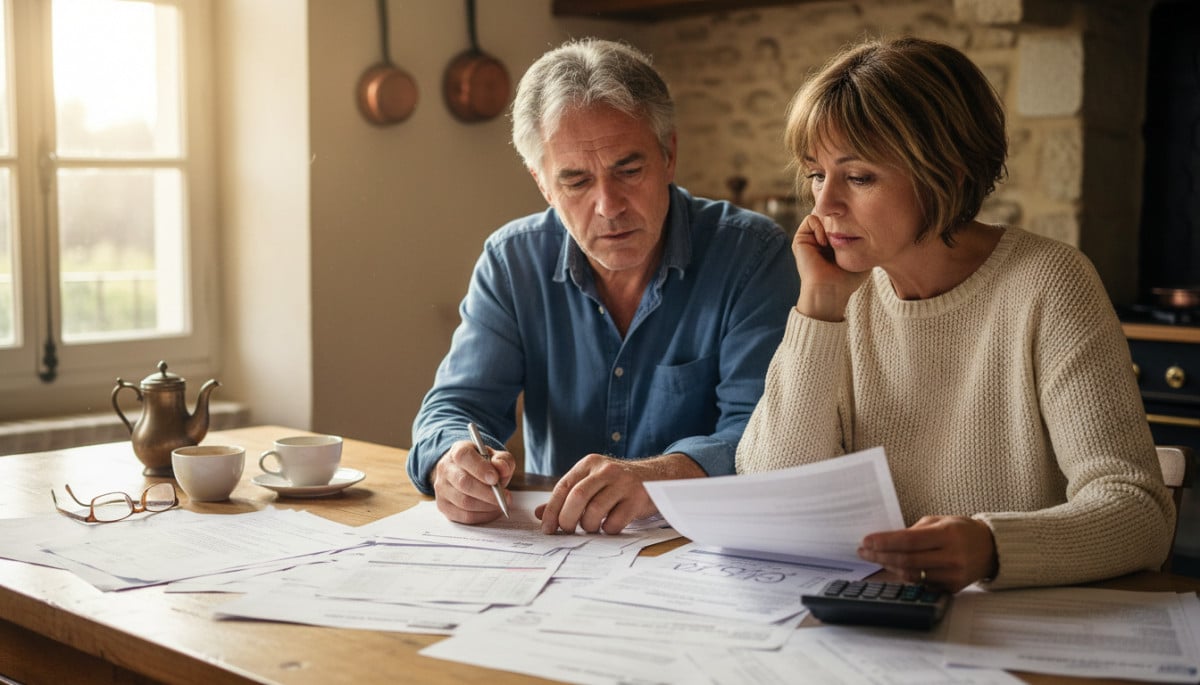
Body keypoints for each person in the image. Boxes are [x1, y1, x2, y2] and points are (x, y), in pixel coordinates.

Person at [735, 36, 1175, 592]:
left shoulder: (1050, 283)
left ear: (947, 170)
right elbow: (772, 491)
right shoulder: (843, 297)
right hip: (871, 627)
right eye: (816, 174)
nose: (822, 206)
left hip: (1016, 633)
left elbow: (1139, 514)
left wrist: (993, 547)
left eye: (859, 176)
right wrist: (819, 309)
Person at [409, 38, 799, 535]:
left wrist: (658, 477)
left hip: (702, 547)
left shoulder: (751, 255)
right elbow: (454, 408)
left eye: (629, 170)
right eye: (575, 182)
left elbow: (767, 435)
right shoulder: (512, 261)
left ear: (669, 154)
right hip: (557, 555)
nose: (608, 206)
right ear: (542, 184)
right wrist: (452, 461)